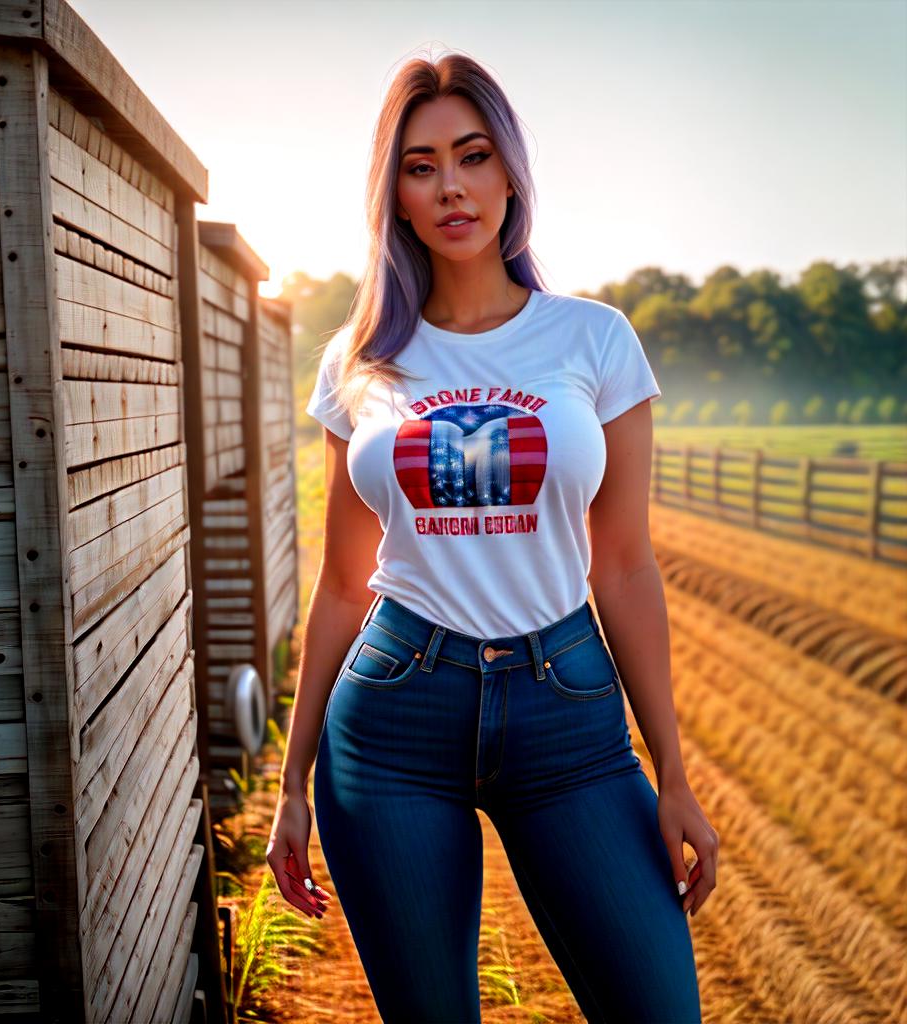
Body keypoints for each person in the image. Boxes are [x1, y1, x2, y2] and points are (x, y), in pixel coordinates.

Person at [266, 50, 717, 1024]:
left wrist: (672, 772)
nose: (451, 186)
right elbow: (343, 582)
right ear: (394, 192)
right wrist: (292, 784)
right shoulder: (360, 360)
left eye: (471, 156)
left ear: (511, 173)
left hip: (568, 714)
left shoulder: (592, 339)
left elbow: (626, 562)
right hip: (392, 713)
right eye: (420, 165)